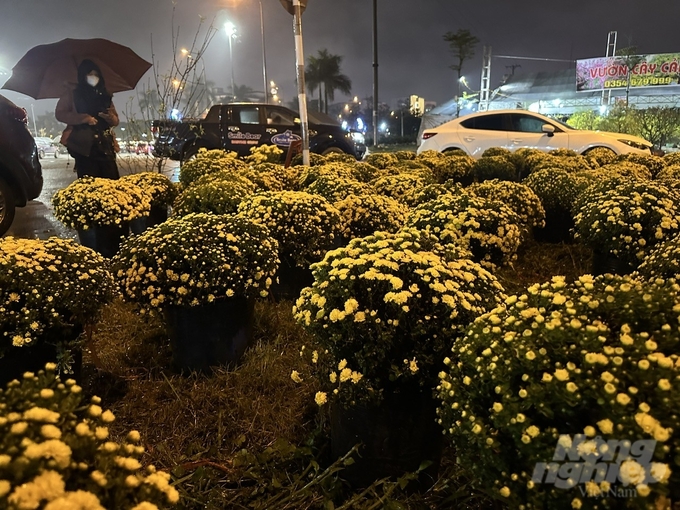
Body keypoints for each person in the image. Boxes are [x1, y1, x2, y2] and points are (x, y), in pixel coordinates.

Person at [56, 59, 120, 179]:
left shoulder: (104, 94)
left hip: (106, 145)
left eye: (96, 75)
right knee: (89, 183)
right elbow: (60, 113)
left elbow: (116, 120)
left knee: (112, 181)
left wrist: (110, 117)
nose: (94, 77)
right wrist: (83, 118)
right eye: (90, 74)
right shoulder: (72, 94)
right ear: (83, 76)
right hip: (84, 146)